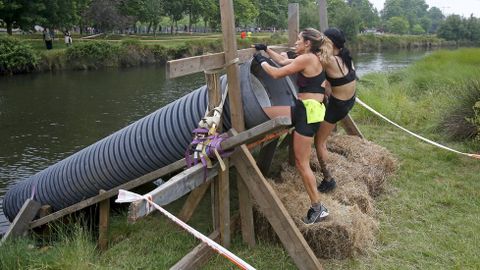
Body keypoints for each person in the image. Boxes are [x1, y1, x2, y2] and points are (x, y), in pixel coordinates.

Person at [252, 28, 333, 224]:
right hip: (305, 109)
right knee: (267, 113)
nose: (295, 43)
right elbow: (282, 61)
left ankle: (318, 208)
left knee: (301, 163)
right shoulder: (311, 57)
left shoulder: (307, 59)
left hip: (307, 113)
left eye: (298, 40)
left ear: (307, 43)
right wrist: (266, 50)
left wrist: (260, 61)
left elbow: (277, 73)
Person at [314, 28, 357, 193]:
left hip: (337, 106)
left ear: (330, 42)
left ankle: (328, 179)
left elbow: (307, 58)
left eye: (323, 40)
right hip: (348, 102)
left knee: (319, 142)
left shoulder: (330, 60)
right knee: (322, 136)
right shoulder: (346, 58)